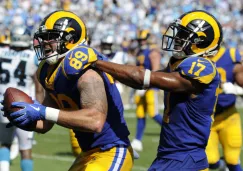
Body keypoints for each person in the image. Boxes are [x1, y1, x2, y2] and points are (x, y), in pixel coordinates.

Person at [68, 10, 223, 170]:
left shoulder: (203, 66)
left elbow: (142, 77)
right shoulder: (178, 65)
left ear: (201, 41)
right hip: (170, 156)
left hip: (186, 158)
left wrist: (96, 61)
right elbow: (138, 81)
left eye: (183, 35)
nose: (177, 38)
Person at [3, 10, 133, 171]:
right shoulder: (48, 71)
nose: (44, 42)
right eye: (43, 38)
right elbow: (45, 124)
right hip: (87, 153)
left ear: (70, 38)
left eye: (50, 37)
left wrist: (42, 111)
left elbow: (95, 121)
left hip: (111, 151)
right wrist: (21, 117)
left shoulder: (86, 73)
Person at [0, 26, 44, 171]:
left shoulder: (2, 52)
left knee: (4, 143)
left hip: (3, 104)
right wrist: (40, 113)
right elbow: (39, 89)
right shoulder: (33, 57)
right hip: (25, 107)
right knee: (25, 150)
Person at [205, 46, 243, 171]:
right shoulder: (196, 58)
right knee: (210, 160)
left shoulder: (231, 55)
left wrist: (238, 90)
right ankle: (221, 166)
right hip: (207, 118)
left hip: (228, 115)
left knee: (232, 159)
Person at [131, 29, 163, 152]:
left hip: (150, 87)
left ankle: (172, 131)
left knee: (153, 113)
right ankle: (138, 140)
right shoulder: (139, 51)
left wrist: (146, 86)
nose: (142, 42)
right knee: (140, 113)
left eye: (144, 39)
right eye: (140, 40)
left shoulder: (153, 52)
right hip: (140, 86)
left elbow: (155, 71)